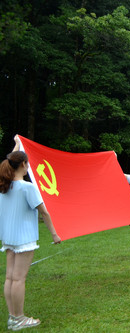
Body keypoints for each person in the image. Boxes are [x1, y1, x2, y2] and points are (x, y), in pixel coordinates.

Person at [1, 135, 61, 330]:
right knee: (18, 279)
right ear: (25, 164)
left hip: (9, 238)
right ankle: (18, 319)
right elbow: (44, 212)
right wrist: (54, 234)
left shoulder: (5, 187)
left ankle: (13, 317)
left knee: (10, 278)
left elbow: (12, 158)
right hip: (24, 238)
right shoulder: (27, 187)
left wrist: (17, 143)